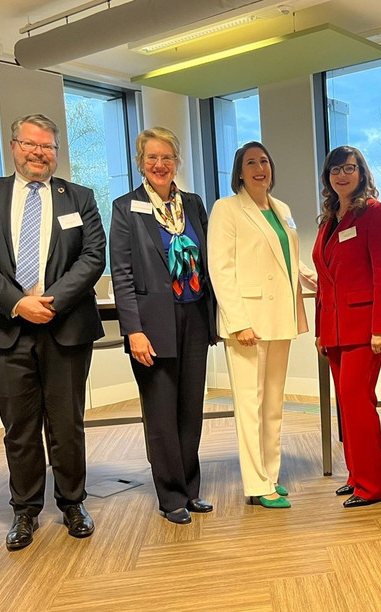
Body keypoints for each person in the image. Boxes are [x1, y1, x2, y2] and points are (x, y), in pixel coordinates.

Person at [0, 114, 104, 550]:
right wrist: (18, 302)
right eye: (31, 144)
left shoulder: (79, 196)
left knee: (67, 422)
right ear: (14, 146)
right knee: (19, 426)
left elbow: (93, 257)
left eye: (48, 147)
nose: (39, 153)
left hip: (66, 326)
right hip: (6, 327)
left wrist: (50, 301)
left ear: (57, 153)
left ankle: (73, 502)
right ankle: (25, 511)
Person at [110, 127, 217, 523]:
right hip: (152, 325)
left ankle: (191, 489)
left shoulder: (193, 203)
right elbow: (121, 272)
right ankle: (170, 496)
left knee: (191, 409)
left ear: (177, 162)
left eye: (167, 157)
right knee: (160, 412)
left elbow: (208, 261)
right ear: (141, 162)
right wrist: (132, 329)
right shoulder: (126, 207)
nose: (160, 164)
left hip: (193, 314)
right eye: (152, 157)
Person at [208, 141, 307, 509]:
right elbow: (221, 268)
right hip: (248, 322)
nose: (259, 168)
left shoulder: (280, 209)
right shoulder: (226, 209)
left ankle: (272, 475)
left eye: (264, 161)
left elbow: (286, 257)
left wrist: (308, 275)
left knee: (273, 405)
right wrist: (237, 322)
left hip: (280, 316)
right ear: (239, 171)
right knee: (250, 404)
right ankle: (255, 483)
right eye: (251, 162)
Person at [313, 146, 381, 508]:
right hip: (334, 329)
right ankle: (356, 475)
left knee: (358, 402)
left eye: (350, 168)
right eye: (336, 169)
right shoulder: (330, 217)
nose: (342, 175)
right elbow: (324, 279)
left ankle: (375, 484)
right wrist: (320, 329)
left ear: (362, 172)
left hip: (365, 329)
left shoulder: (374, 214)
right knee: (346, 405)